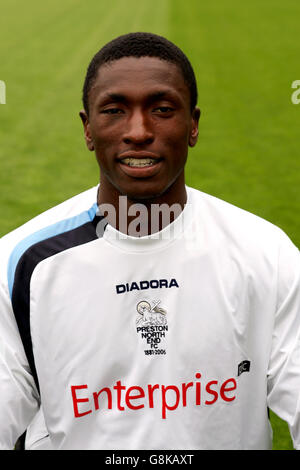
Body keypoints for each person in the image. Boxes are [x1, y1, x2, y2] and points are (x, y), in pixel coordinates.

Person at [0, 32, 299, 450]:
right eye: (114, 110)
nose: (138, 131)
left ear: (193, 125)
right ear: (88, 129)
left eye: (161, 110)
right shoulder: (21, 263)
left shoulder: (268, 253)